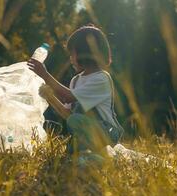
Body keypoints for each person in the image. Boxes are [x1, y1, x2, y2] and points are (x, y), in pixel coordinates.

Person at [27, 24, 124, 161]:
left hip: (107, 134)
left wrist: (45, 75)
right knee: (72, 155)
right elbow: (67, 114)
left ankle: (102, 154)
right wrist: (49, 97)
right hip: (85, 134)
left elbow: (68, 97)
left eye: (72, 54)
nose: (71, 59)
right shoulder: (76, 80)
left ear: (86, 53)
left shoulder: (101, 78)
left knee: (76, 121)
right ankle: (93, 156)